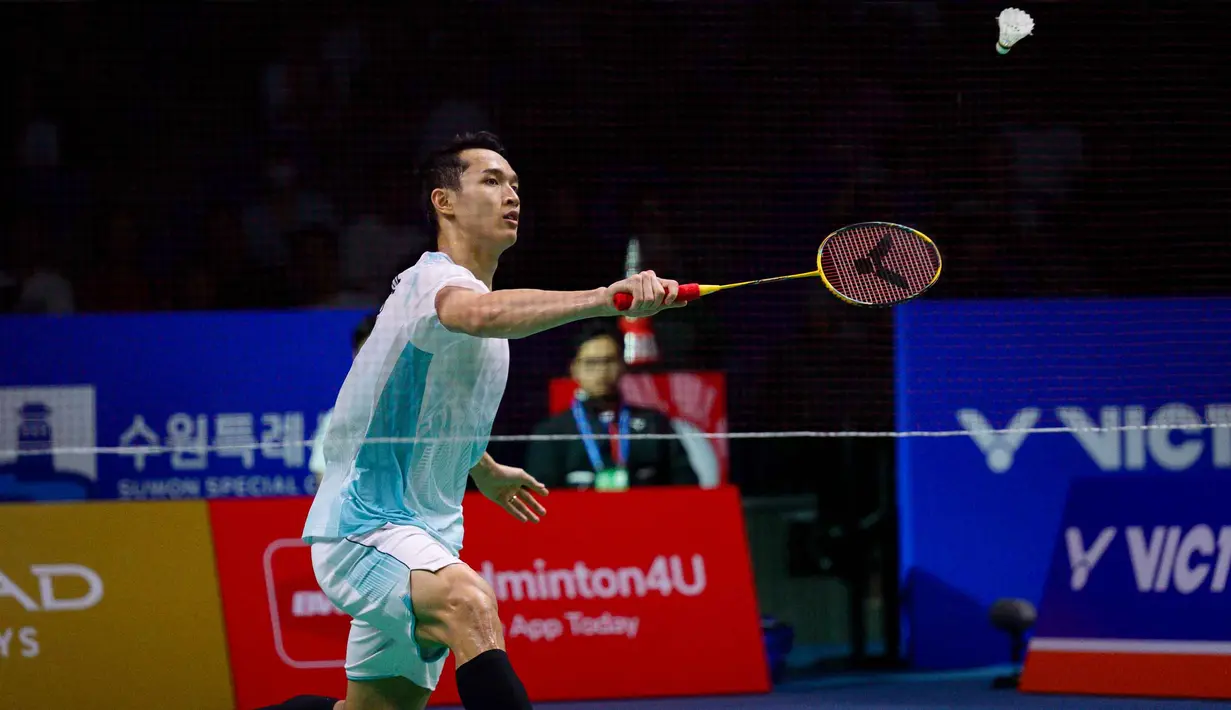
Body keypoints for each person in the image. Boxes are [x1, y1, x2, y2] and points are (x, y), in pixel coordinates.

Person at [301, 131, 685, 710]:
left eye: (514, 185)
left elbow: (424, 412)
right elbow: (478, 314)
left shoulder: (479, 316)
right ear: (444, 201)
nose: (512, 195)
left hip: (425, 535)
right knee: (470, 605)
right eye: (491, 180)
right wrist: (610, 298)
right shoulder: (433, 284)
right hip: (365, 527)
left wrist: (482, 468)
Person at [526, 321, 698, 490]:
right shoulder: (551, 432)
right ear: (574, 368)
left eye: (609, 361)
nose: (601, 371)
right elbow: (540, 496)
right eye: (591, 363)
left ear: (623, 365)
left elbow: (686, 487)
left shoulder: (655, 423)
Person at [308, 312, 377, 486]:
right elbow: (323, 482)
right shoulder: (337, 418)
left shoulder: (419, 414)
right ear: (355, 356)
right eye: (367, 353)